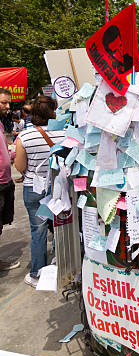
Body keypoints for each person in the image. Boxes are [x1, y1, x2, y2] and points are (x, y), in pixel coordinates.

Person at [14, 96, 65, 288]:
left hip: (34, 188)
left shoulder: (25, 137)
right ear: (53, 112)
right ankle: (64, 265)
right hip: (59, 188)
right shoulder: (65, 133)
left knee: (38, 230)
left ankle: (37, 274)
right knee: (61, 227)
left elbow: (19, 165)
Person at [0, 88, 20, 271]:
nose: (8, 106)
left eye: (8, 103)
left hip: (6, 182)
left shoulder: (0, 123)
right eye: (3, 103)